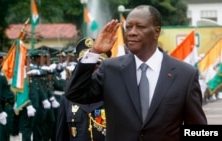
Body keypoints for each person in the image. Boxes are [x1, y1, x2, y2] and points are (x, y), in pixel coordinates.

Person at [65, 5, 207, 141]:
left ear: (156, 31)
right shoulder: (110, 69)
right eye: (128, 27)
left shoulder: (185, 75)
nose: (132, 32)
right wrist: (94, 52)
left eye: (140, 27)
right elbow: (74, 93)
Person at [56, 38, 109, 141]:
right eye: (87, 67)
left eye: (97, 66)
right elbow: (61, 136)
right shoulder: (67, 99)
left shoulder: (114, 96)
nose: (92, 70)